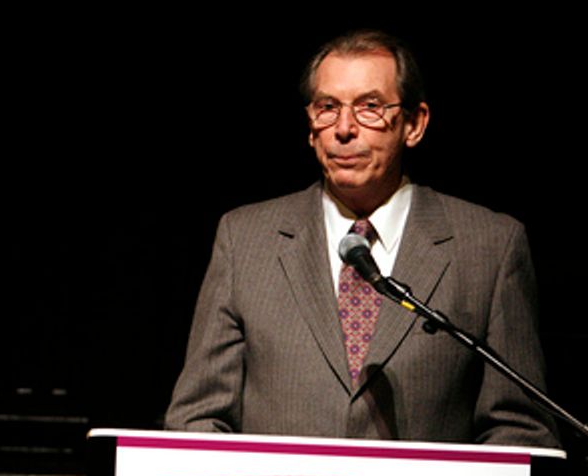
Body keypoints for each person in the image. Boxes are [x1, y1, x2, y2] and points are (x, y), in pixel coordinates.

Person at [164, 29, 559, 447]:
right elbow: (196, 418)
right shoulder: (245, 240)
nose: (344, 129)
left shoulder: (490, 246)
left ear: (414, 124)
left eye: (370, 107)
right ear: (310, 127)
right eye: (327, 108)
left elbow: (519, 430)